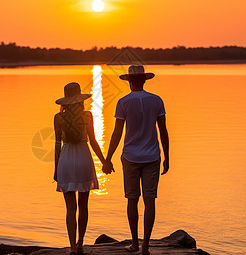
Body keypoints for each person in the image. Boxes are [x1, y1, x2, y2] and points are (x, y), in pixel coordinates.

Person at [103, 65, 169, 255]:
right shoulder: (156, 100)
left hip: (130, 157)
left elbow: (117, 133)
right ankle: (146, 245)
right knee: (150, 200)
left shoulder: (123, 102)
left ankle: (134, 243)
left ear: (130, 81)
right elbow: (163, 131)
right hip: (152, 156)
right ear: (145, 80)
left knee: (132, 199)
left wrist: (108, 159)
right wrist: (167, 157)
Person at [54, 82, 106, 255]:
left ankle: (71, 247)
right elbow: (93, 142)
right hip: (84, 158)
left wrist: (55, 169)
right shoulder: (88, 116)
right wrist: (104, 161)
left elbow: (57, 144)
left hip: (66, 160)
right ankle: (81, 243)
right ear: (80, 100)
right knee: (83, 205)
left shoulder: (58, 118)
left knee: (70, 208)